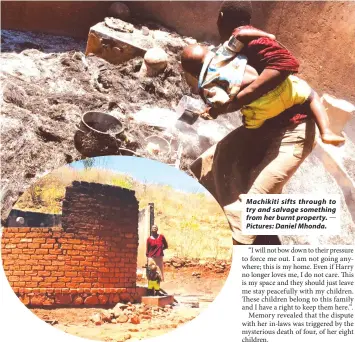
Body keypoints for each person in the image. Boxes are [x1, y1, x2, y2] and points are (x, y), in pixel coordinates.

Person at [187, 1, 328, 245]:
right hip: (265, 126)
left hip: (295, 131)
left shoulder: (253, 42)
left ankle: (242, 256)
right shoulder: (230, 51)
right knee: (217, 160)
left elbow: (287, 64)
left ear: (221, 17)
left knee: (257, 200)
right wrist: (219, 108)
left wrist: (239, 99)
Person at [180, 37, 344, 145]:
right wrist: (268, 34)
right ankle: (326, 132)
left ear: (194, 74)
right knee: (311, 95)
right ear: (208, 52)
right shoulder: (225, 55)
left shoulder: (207, 88)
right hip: (284, 91)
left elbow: (225, 104)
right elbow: (242, 35)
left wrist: (215, 111)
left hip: (260, 108)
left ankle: (252, 146)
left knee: (250, 127)